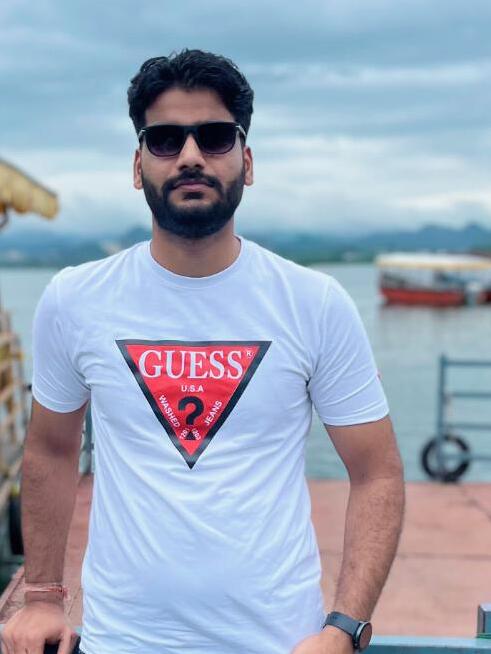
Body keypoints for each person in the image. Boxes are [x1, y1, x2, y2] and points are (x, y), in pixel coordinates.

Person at [1, 49, 405, 654]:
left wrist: (344, 628)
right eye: (165, 140)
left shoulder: (314, 303)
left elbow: (377, 472)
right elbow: (52, 450)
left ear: (247, 160)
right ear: (138, 165)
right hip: (121, 641)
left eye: (214, 137)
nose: (190, 155)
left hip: (279, 641)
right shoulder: (75, 299)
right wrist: (40, 596)